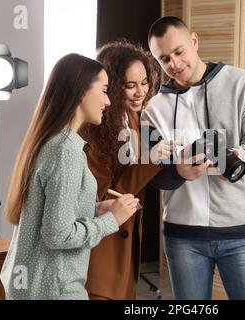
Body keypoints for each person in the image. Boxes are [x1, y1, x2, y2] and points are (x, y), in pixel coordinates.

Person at [141, 16, 245, 300]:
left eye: (179, 52)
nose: (174, 64)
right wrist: (177, 172)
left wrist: (238, 157)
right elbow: (152, 174)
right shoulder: (154, 108)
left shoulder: (243, 84)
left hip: (241, 233)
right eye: (164, 59)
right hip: (183, 237)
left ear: (194, 40)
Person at [0, 53, 139, 300]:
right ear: (81, 92)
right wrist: (112, 220)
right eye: (105, 90)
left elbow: (50, 210)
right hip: (53, 288)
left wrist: (94, 209)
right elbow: (58, 235)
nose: (108, 101)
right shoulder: (66, 151)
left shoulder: (51, 141)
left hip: (29, 285)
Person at [80, 41, 178, 300]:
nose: (140, 92)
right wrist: (149, 160)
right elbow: (102, 198)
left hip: (126, 248)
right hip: (102, 252)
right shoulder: (95, 126)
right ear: (111, 85)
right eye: (130, 85)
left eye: (144, 83)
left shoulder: (137, 118)